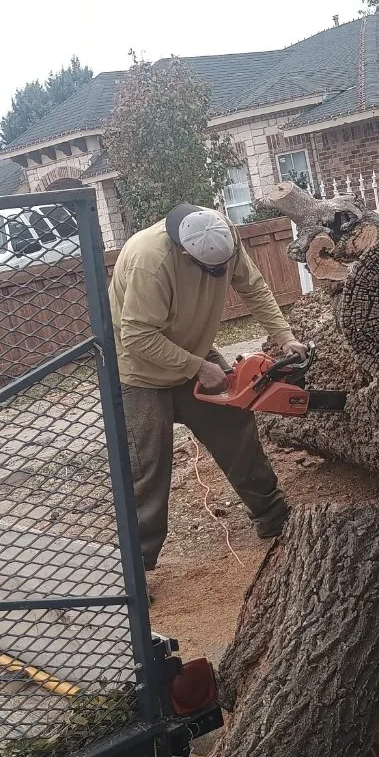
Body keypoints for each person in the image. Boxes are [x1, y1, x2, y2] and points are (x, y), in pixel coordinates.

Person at [110, 203, 308, 572]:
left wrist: (284, 336)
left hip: (195, 352)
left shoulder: (223, 234)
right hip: (141, 373)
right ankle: (137, 569)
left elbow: (253, 286)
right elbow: (136, 335)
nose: (219, 273)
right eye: (211, 270)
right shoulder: (149, 261)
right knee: (149, 470)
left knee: (238, 434)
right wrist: (197, 367)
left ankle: (274, 518)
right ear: (186, 253)